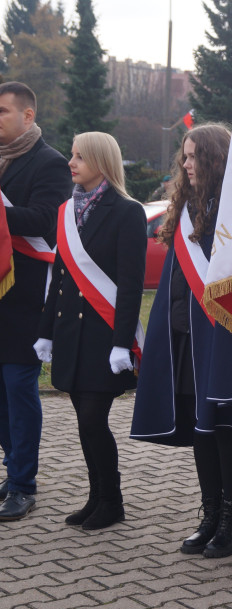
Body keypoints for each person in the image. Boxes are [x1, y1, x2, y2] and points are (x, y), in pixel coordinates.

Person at [131, 123, 232, 559]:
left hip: (222, 338)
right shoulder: (187, 206)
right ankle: (210, 514)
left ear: (215, 160)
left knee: (225, 431)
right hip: (184, 338)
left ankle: (231, 522)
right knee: (201, 431)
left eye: (193, 157)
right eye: (184, 157)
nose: (186, 164)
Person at [34, 132, 146, 530]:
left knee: (92, 421)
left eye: (80, 156)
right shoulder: (67, 210)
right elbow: (60, 276)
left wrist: (122, 343)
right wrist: (45, 332)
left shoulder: (127, 211)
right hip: (70, 335)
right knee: (84, 420)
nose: (71, 162)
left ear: (101, 161)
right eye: (72, 155)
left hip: (103, 337)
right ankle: (96, 496)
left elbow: (131, 285)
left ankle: (112, 501)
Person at [0, 81, 73, 521]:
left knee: (18, 389)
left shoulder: (49, 163)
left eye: (3, 112)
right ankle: (15, 467)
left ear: (28, 115)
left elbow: (47, 221)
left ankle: (23, 485)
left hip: (26, 298)